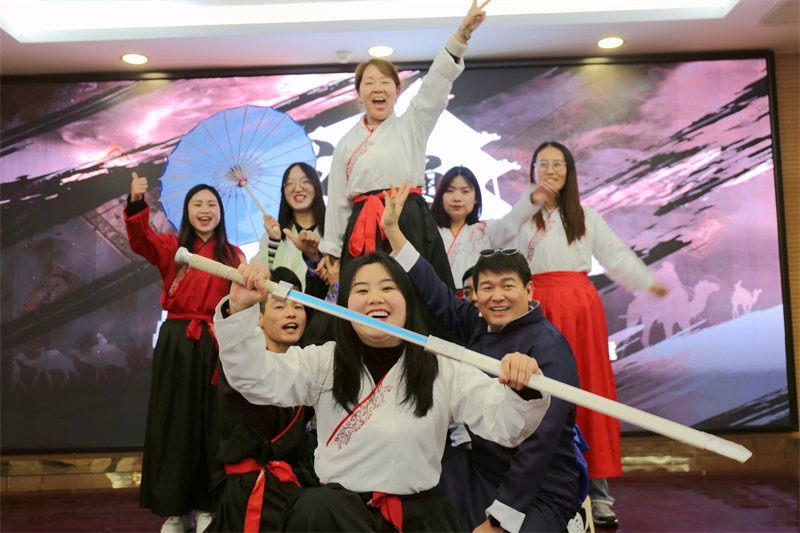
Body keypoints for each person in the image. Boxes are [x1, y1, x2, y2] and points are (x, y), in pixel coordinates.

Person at [214, 250, 551, 532]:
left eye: (388, 287)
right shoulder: (324, 361)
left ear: (407, 301)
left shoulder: (441, 365)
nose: (375, 298)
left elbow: (507, 425)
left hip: (419, 518)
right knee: (312, 509)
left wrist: (522, 387)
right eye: (361, 290)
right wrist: (240, 308)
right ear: (345, 305)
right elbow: (253, 378)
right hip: (337, 516)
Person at [383, 183, 586, 533]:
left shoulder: (549, 347)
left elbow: (540, 446)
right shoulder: (477, 324)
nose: (497, 296)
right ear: (475, 294)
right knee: (416, 511)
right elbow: (433, 290)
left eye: (507, 286)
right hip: (481, 472)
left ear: (528, 290)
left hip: (540, 486)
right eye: (487, 288)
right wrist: (392, 231)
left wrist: (499, 520)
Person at [512, 141, 669, 528]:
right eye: (543, 163)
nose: (550, 170)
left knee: (589, 391)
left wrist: (647, 281)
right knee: (539, 394)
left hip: (581, 309)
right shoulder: (520, 217)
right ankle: (536, 490)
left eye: (558, 164)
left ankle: (599, 493)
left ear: (569, 172)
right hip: (536, 308)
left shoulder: (586, 216)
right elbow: (498, 252)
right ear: (532, 170)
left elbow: (616, 255)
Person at [318, 0, 492, 292]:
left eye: (385, 82)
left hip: (409, 220)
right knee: (370, 298)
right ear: (358, 95)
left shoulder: (413, 124)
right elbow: (337, 203)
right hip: (363, 227)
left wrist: (461, 35)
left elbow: (435, 85)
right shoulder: (346, 144)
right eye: (369, 83)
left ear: (398, 91)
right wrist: (333, 251)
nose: (377, 88)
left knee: (419, 296)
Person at [125, 172, 244, 533]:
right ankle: (175, 510)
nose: (205, 210)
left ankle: (208, 504)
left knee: (212, 424)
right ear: (186, 211)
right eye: (197, 204)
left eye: (211, 204)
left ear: (220, 212)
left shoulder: (234, 255)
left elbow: (240, 303)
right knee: (173, 422)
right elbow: (140, 239)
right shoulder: (170, 247)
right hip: (177, 341)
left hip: (216, 342)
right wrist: (136, 203)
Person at [209, 267, 317, 533]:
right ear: (258, 318)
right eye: (279, 306)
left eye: (298, 306)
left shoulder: (309, 367)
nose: (291, 313)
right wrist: (238, 308)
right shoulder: (242, 368)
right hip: (251, 489)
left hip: (291, 483)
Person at [430, 165, 542, 291]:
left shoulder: (486, 231)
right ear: (440, 195)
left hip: (474, 299)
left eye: (465, 191)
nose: (457, 198)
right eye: (450, 191)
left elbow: (510, 224)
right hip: (436, 298)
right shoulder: (429, 230)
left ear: (476, 198)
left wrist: (532, 199)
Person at [254, 162, 328, 299]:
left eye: (305, 181)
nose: (297, 188)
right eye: (290, 183)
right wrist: (273, 242)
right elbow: (263, 277)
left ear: (316, 187)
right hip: (282, 308)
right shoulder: (273, 235)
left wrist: (314, 256)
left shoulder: (332, 231)